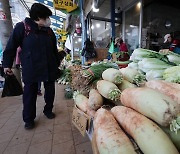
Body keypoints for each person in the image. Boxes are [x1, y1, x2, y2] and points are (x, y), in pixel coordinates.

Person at [3, 3, 62, 129]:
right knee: (30, 93)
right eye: (46, 17)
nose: (48, 20)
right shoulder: (22, 27)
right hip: (31, 67)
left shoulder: (49, 32)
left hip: (48, 66)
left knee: (50, 90)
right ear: (37, 17)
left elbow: (54, 50)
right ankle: (29, 119)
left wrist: (57, 64)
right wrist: (7, 64)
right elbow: (11, 47)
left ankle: (48, 110)